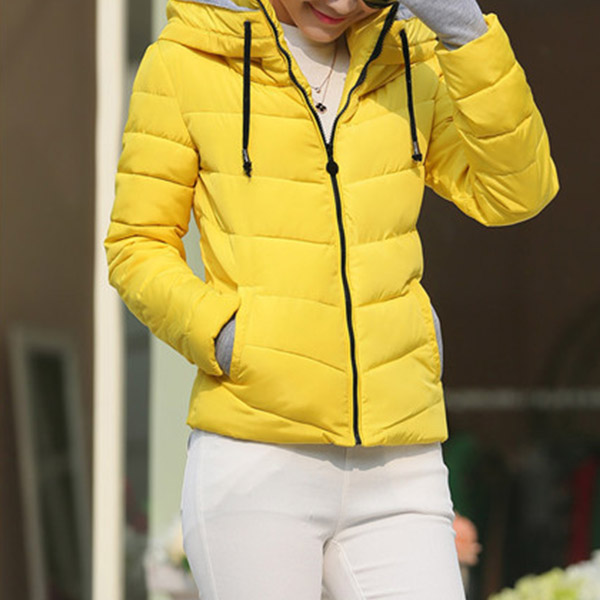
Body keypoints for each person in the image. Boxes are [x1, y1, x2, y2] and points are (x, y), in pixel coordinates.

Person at [105, 0, 559, 596]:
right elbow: (137, 245)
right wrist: (230, 338)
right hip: (258, 453)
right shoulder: (187, 58)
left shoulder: (407, 59)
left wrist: (465, 31)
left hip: (401, 456)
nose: (343, 5)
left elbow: (517, 192)